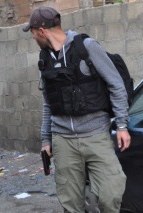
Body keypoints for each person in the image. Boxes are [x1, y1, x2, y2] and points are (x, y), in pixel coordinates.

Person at [22, 6, 131, 213]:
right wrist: (46, 140)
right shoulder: (44, 59)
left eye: (34, 33)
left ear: (42, 31)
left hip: (96, 135)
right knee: (71, 204)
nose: (33, 37)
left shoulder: (85, 47)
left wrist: (122, 125)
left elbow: (116, 84)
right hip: (63, 141)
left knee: (111, 195)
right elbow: (48, 102)